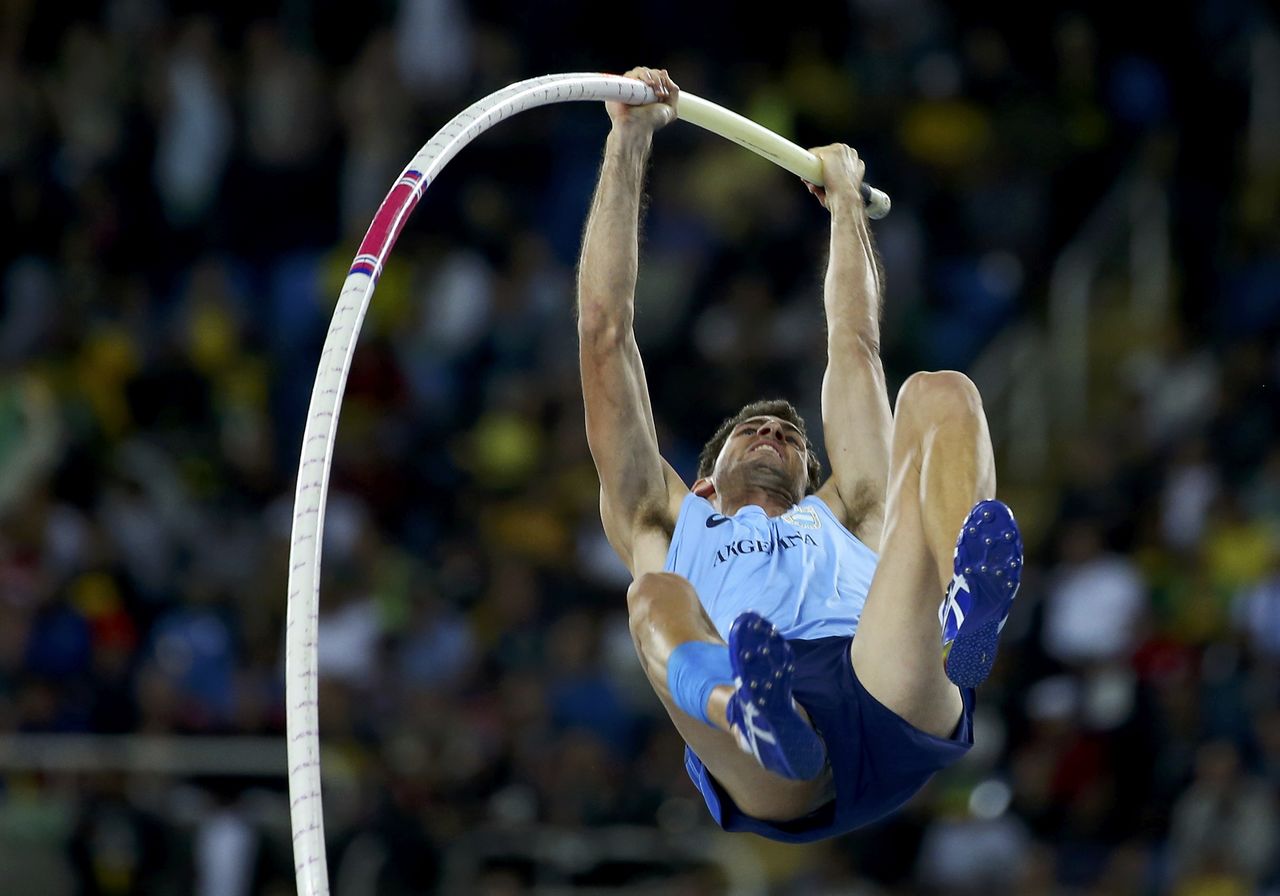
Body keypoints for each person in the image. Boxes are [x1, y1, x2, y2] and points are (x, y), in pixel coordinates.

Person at [576, 66, 1023, 842]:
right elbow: (603, 331)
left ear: (815, 477)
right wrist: (629, 140)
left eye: (791, 438)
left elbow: (854, 345)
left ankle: (965, 606)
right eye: (753, 430)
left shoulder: (847, 511)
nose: (776, 435)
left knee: (939, 391)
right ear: (704, 481)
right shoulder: (664, 521)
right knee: (653, 595)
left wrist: (845, 205)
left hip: (888, 671)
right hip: (773, 751)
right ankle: (750, 710)